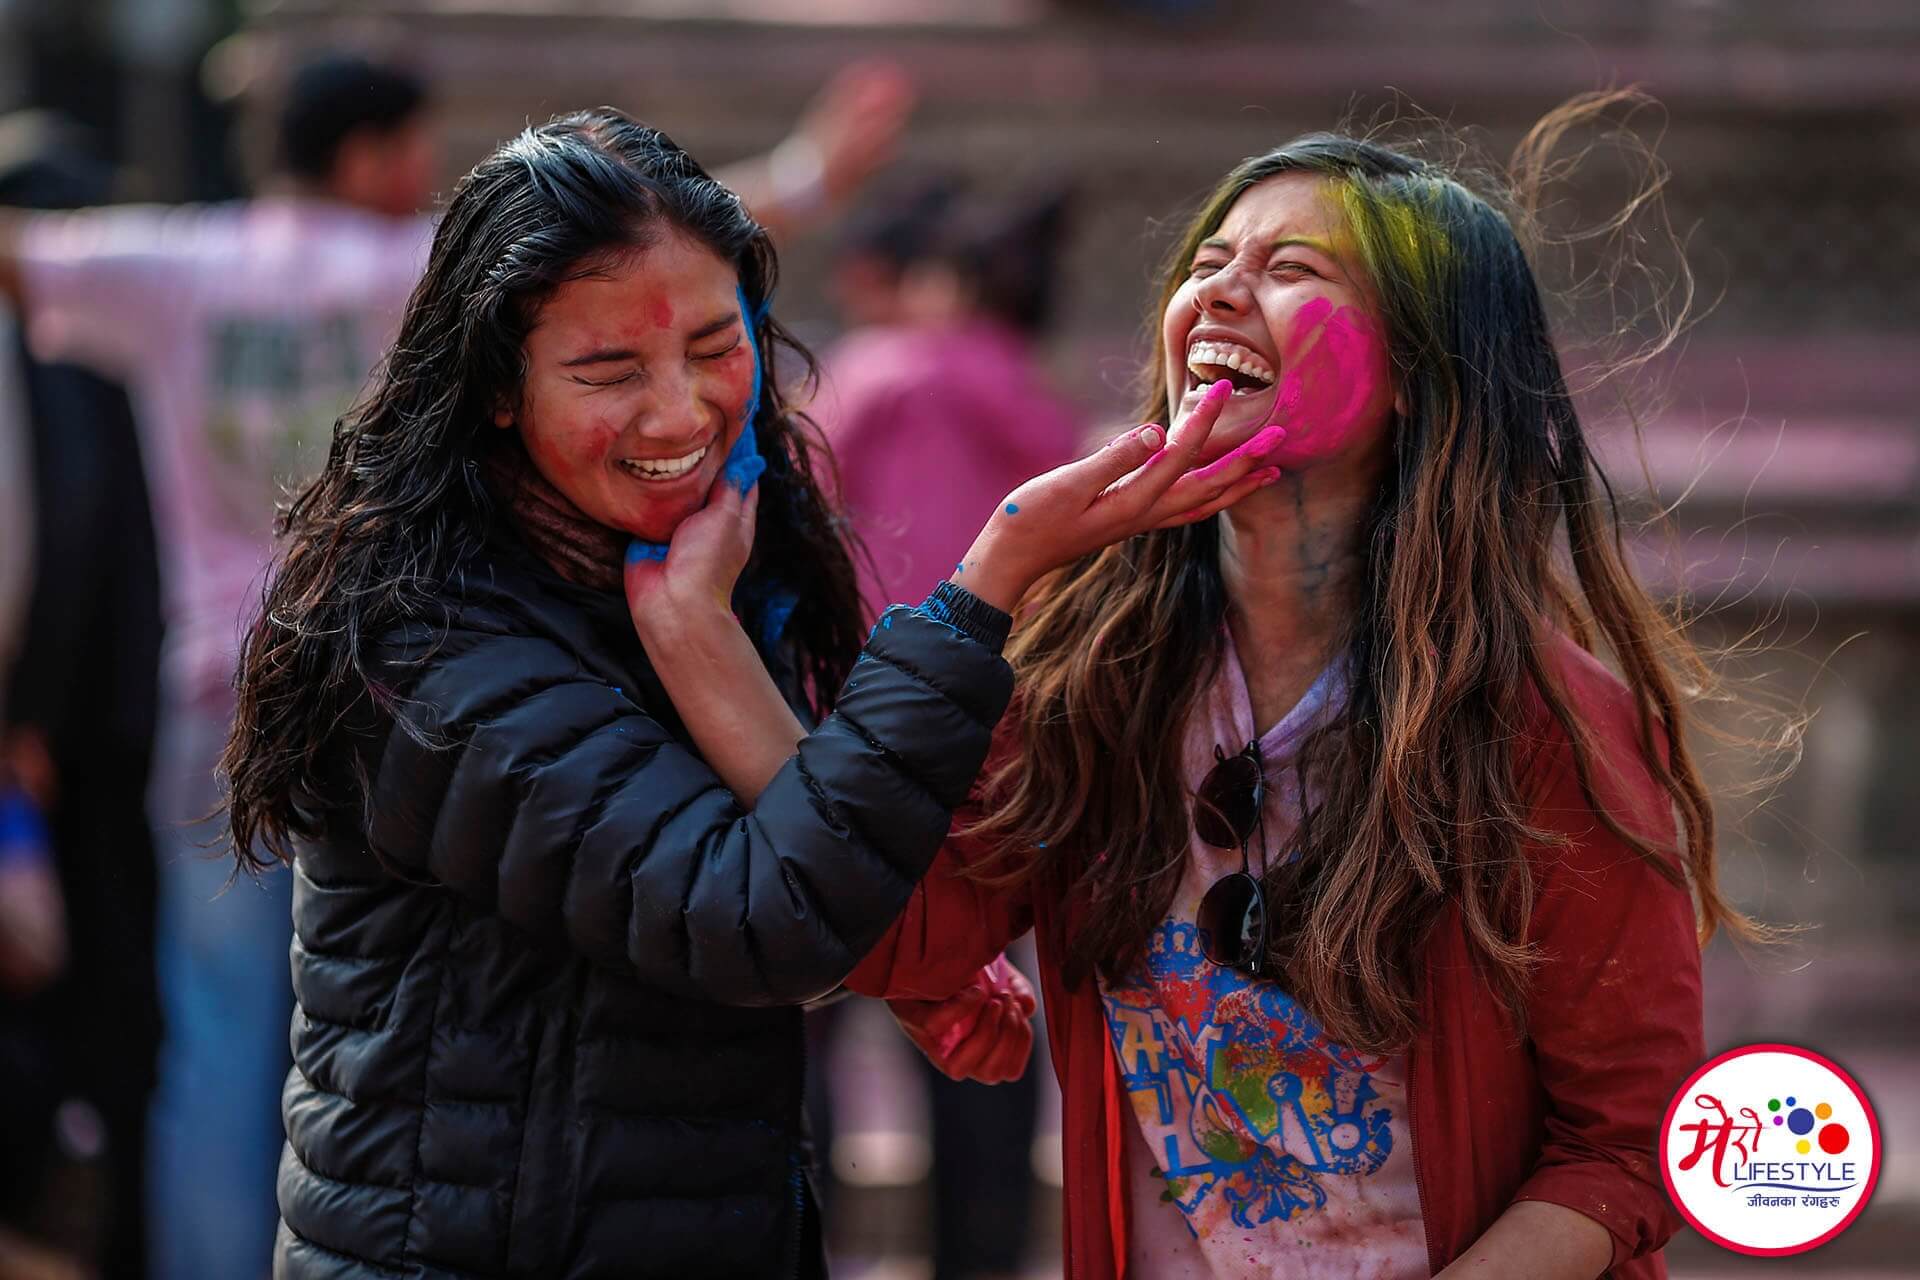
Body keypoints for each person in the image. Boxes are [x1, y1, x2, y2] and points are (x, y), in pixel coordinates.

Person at [675, 99, 1751, 1279]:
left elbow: (1626, 1142)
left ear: (1418, 370)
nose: (1222, 291)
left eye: (1290, 269)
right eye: (1209, 263)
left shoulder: (1544, 723)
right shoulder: (1093, 675)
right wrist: (708, 631)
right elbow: (878, 915)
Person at [215, 107, 1279, 1278]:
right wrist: (989, 580)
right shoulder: (427, 645)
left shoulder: (679, 569)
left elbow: (761, 856)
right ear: (495, 386)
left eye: (717, 347)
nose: (681, 413)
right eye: (609, 370)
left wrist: (885, 941)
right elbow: (756, 912)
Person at [0, 47, 921, 1279]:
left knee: (236, 1049)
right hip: (417, 670)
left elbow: (25, 254)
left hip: (226, 690)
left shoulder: (176, 263)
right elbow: (650, 238)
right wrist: (811, 169)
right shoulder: (414, 267)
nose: (675, 407)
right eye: (609, 370)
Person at [817, 180, 1082, 1279]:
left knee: (812, 1011)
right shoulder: (1040, 409)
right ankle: (983, 1259)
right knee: (984, 1016)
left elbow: (798, 523)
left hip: (845, 741)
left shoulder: (875, 373)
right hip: (994, 765)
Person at [0, 111, 165, 1280]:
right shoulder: (93, 335)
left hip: (79, 743)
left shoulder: (71, 341)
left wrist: (33, 717)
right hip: (93, 736)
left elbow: (69, 532)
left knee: (88, 1000)